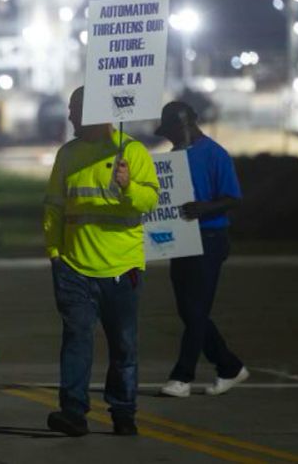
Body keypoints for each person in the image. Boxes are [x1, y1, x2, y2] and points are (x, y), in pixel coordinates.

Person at [43, 86, 159, 437]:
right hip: (75, 268)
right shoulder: (68, 154)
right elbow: (54, 207)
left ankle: (123, 412)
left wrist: (128, 187)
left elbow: (149, 201)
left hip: (121, 268)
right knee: (76, 339)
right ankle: (73, 412)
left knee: (123, 344)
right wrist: (55, 255)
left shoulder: (132, 152)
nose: (70, 116)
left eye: (76, 109)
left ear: (94, 112)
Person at [155, 101, 249, 398]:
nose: (167, 138)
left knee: (196, 310)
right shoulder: (173, 158)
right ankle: (229, 366)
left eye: (169, 131)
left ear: (182, 125)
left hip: (209, 238)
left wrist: (205, 209)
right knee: (190, 311)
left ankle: (182, 377)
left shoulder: (215, 154)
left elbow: (233, 197)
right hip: (182, 239)